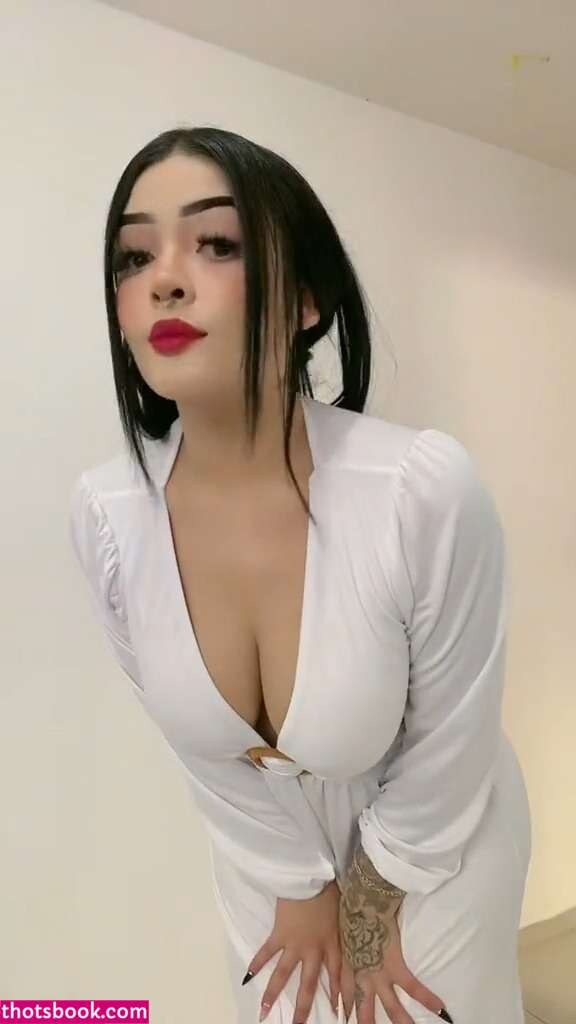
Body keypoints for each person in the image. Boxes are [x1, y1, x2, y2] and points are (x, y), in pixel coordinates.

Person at [69, 126, 532, 1024]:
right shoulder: (107, 516)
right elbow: (201, 752)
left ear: (308, 300)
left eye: (217, 243)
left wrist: (370, 903)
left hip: (432, 836)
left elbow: (455, 732)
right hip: (263, 849)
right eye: (133, 256)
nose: (165, 279)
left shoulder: (419, 488)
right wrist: (295, 883)